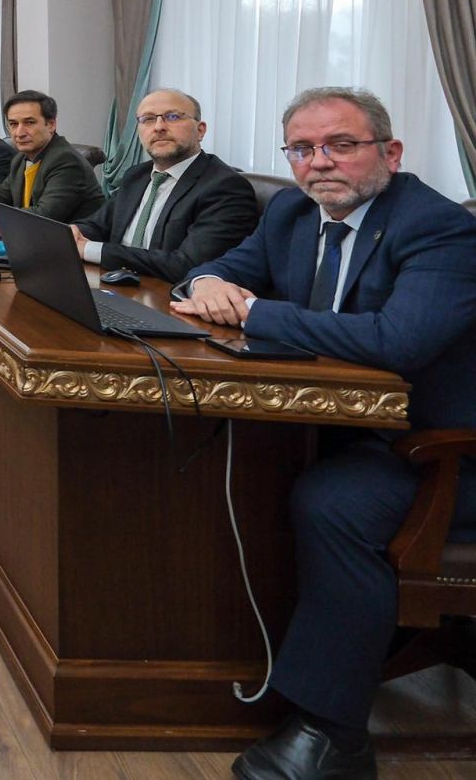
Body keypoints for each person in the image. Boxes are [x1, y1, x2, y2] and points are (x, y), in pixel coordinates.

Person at [169, 88, 476, 780]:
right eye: (302, 149)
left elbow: (398, 341)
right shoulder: (290, 212)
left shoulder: (439, 229)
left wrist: (257, 314)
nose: (320, 162)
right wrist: (209, 280)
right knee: (243, 467)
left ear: (390, 153)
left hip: (444, 452)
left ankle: (333, 733)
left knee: (331, 501)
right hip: (350, 428)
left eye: (341, 144)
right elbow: (217, 271)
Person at [69, 89, 255, 283]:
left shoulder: (226, 187)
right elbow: (98, 225)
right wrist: (73, 233)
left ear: (200, 130)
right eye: (148, 119)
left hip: (165, 294)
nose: (158, 127)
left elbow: (187, 265)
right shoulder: (136, 175)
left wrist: (89, 249)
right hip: (115, 283)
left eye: (173, 117)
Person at [0, 90, 103, 222]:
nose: (19, 133)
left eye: (29, 123)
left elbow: (44, 216)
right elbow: (3, 192)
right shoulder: (21, 158)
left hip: (72, 241)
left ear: (51, 125)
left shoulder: (67, 161)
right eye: (13, 124)